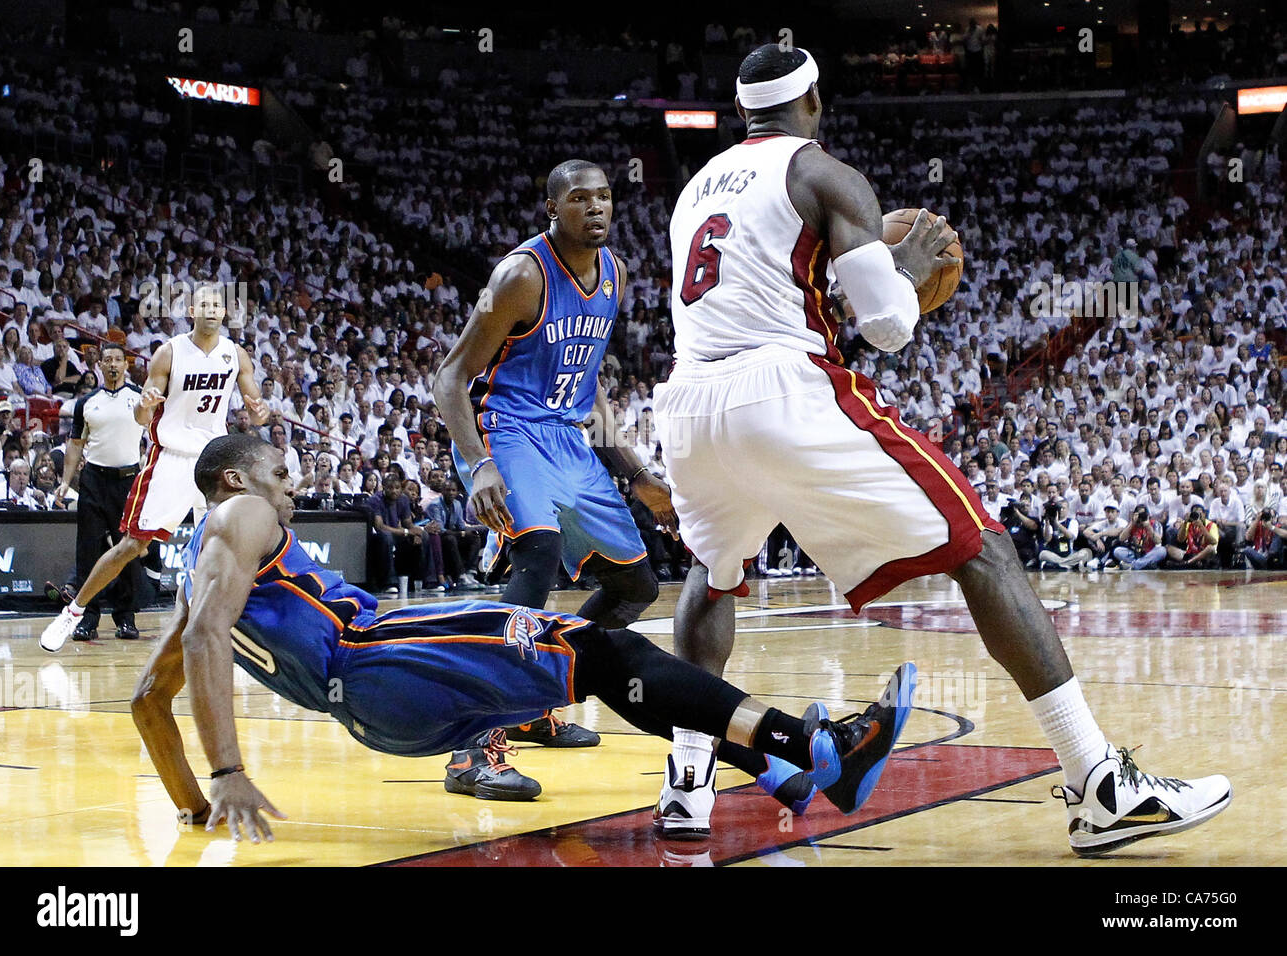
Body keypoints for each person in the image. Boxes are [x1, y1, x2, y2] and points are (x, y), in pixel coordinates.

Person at [652, 44, 1229, 853]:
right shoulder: (826, 174)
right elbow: (886, 328)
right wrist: (907, 263)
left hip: (686, 409)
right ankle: (1097, 781)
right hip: (779, 388)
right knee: (983, 548)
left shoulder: (691, 191)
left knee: (712, 577)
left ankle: (686, 791)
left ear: (745, 107)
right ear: (812, 99)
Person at [127, 434, 914, 840]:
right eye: (278, 476)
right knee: (609, 653)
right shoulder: (240, 515)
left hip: (381, 712)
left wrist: (197, 809)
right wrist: (228, 770)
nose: (289, 490)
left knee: (604, 667)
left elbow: (145, 704)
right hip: (382, 656)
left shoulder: (201, 570)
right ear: (235, 481)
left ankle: (781, 770)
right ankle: (817, 749)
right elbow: (202, 645)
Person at [433, 160, 679, 780]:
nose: (595, 207)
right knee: (537, 554)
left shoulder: (615, 273)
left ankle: (534, 698)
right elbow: (450, 379)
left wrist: (636, 471)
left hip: (567, 437)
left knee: (636, 588)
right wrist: (480, 465)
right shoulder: (520, 276)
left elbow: (589, 385)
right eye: (578, 198)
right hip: (508, 430)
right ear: (552, 209)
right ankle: (473, 741)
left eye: (603, 197)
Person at [41, 284, 270, 652]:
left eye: (218, 305)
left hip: (213, 459)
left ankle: (233, 622)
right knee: (133, 545)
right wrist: (146, 404)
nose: (212, 309)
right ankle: (73, 611)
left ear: (225, 313)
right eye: (205, 304)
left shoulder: (236, 355)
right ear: (192, 310)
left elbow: (257, 406)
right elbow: (141, 415)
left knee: (229, 542)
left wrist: (261, 412)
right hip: (171, 458)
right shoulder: (170, 352)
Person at [50, 344, 147, 640]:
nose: (113, 365)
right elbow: (76, 445)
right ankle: (87, 618)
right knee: (88, 551)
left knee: (126, 550)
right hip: (93, 480)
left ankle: (125, 618)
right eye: (108, 360)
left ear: (125, 365)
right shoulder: (86, 403)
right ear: (100, 366)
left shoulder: (140, 399)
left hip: (128, 481)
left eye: (118, 359)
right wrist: (66, 482)